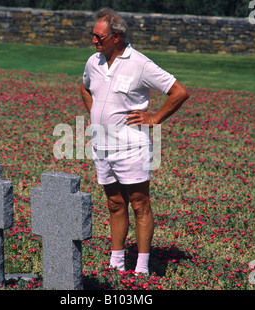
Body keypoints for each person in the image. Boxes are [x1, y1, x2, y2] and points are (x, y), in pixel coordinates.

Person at [80, 8, 190, 274]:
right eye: (93, 35)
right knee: (114, 204)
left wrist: (155, 118)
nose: (94, 41)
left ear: (116, 37)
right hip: (101, 146)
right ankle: (116, 263)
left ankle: (141, 267)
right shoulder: (93, 62)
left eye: (99, 36)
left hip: (131, 147)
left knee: (140, 203)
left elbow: (179, 92)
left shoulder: (140, 63)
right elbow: (84, 86)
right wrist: (96, 117)